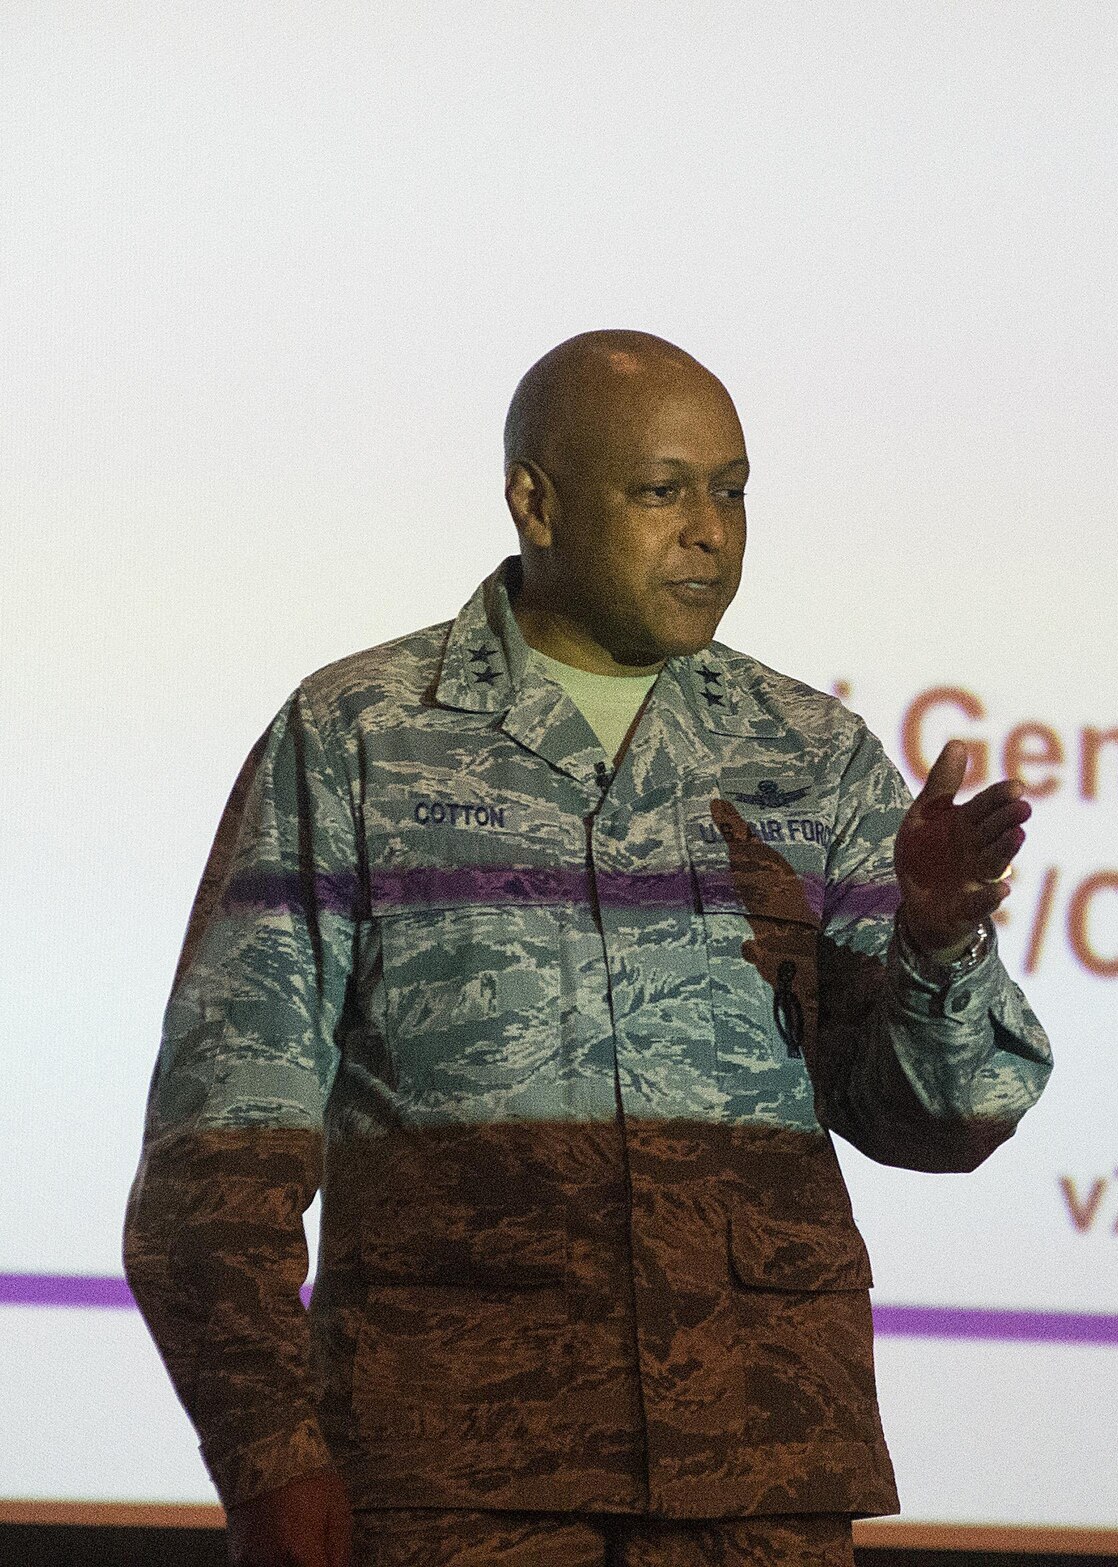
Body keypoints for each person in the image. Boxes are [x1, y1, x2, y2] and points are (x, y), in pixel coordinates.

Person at [124, 330, 1053, 1567]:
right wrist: (265, 1451)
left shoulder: (807, 751)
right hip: (454, 1478)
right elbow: (219, 1146)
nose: (710, 531)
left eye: (730, 490)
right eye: (662, 490)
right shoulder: (362, 736)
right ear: (535, 500)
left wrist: (937, 945)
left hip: (755, 1478)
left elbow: (945, 1120)